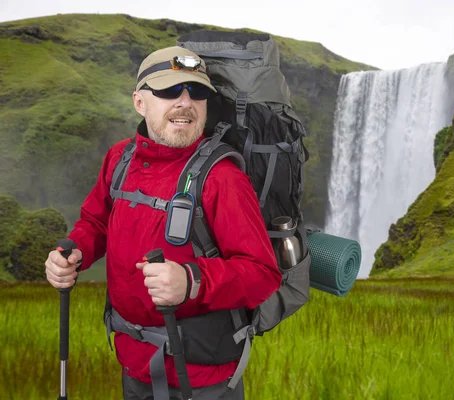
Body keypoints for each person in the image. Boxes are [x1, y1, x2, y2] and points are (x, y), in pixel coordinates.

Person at [44, 46, 282, 400]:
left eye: (197, 92)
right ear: (140, 102)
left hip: (201, 380)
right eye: (170, 91)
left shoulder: (222, 179)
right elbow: (97, 221)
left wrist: (192, 281)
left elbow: (263, 273)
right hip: (133, 364)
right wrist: (74, 251)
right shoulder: (120, 158)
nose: (185, 102)